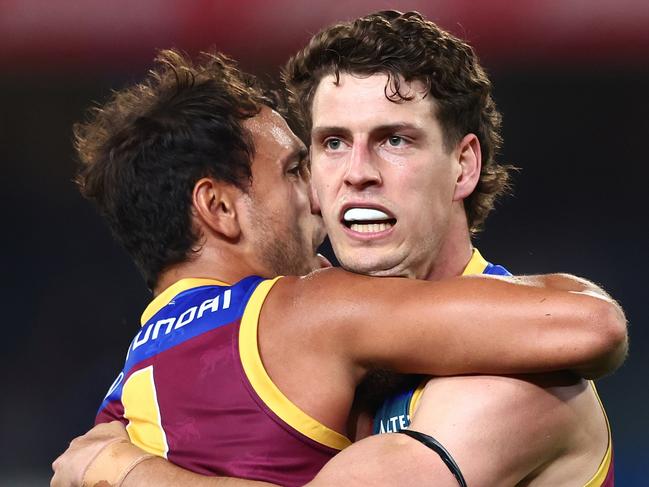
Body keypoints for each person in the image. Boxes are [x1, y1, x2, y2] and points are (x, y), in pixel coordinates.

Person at [51, 29, 626, 487]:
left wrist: (128, 471)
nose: (355, 173)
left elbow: (594, 323)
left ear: (464, 165)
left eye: (395, 140)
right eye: (329, 145)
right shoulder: (315, 337)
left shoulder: (515, 379)